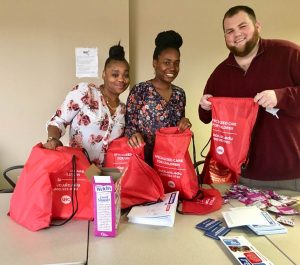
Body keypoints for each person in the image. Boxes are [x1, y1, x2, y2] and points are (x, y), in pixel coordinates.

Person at [199, 6, 300, 190]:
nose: (237, 34)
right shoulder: (220, 73)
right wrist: (205, 106)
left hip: (292, 175)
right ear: (225, 38)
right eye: (230, 31)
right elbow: (205, 117)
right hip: (242, 178)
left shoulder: (288, 53)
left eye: (242, 26)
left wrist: (281, 96)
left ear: (257, 26)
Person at [43, 43, 130, 167]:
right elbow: (58, 120)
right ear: (104, 74)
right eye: (115, 74)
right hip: (79, 170)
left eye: (126, 75)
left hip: (107, 175)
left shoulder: (122, 109)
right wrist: (53, 139)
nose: (121, 79)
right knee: (88, 184)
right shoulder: (86, 92)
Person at [125, 30, 191, 166]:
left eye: (176, 63)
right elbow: (129, 126)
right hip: (143, 164)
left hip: (170, 163)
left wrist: (184, 124)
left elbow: (177, 129)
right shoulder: (140, 90)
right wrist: (133, 135)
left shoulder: (180, 94)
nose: (172, 68)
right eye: (167, 62)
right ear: (155, 63)